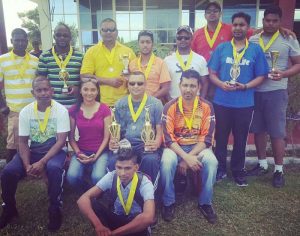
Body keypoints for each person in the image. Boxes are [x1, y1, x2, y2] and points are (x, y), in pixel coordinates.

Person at [0, 76, 70, 231]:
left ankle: (55, 209)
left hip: (54, 151)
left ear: (52, 91)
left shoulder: (61, 110)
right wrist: (27, 165)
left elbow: (60, 141)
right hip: (32, 151)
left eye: (46, 89)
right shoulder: (26, 112)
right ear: (33, 93)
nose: (43, 93)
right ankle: (9, 208)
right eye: (39, 90)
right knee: (8, 172)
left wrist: (42, 162)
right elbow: (23, 142)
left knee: (53, 168)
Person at [208, 12, 269, 186]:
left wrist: (246, 86)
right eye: (235, 25)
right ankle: (220, 169)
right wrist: (221, 84)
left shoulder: (255, 50)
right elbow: (212, 73)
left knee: (240, 138)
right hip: (222, 102)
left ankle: (237, 170)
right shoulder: (222, 48)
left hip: (244, 103)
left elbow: (262, 76)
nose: (237, 28)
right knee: (220, 138)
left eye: (241, 25)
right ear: (231, 27)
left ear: (248, 28)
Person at [247, 6, 300, 187]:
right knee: (258, 130)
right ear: (262, 21)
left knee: (277, 132)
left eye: (274, 21)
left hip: (276, 91)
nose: (270, 24)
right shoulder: (253, 39)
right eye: (267, 20)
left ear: (280, 21)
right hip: (255, 91)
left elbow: (298, 64)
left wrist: (284, 74)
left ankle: (279, 170)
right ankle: (262, 164)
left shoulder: (288, 38)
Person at [160, 69, 218, 224]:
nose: (188, 90)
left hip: (198, 147)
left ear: (199, 87)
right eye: (185, 85)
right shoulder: (170, 106)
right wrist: (185, 157)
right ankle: (168, 202)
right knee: (166, 163)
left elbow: (206, 139)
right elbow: (168, 139)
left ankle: (205, 202)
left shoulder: (207, 107)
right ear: (179, 86)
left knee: (212, 162)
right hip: (175, 147)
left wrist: (187, 159)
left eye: (192, 86)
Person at [77, 147, 155, 236]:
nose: (122, 173)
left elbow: (148, 217)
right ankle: (104, 232)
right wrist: (98, 226)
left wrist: (114, 233)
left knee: (143, 221)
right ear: (115, 166)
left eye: (127, 168)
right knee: (91, 202)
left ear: (136, 167)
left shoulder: (144, 182)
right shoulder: (112, 176)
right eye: (119, 167)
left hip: (135, 225)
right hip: (117, 218)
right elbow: (82, 200)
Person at [109, 71, 163, 189]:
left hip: (146, 144)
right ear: (127, 85)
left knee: (151, 160)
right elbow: (115, 130)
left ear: (145, 84)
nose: (136, 86)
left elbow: (159, 129)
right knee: (113, 160)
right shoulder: (119, 104)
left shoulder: (156, 104)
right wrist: (113, 142)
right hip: (125, 145)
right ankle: (119, 194)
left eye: (140, 83)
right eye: (132, 83)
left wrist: (156, 143)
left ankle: (150, 195)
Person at [66, 77, 111, 193]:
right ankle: (86, 191)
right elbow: (71, 137)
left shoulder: (105, 109)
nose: (89, 93)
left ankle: (96, 194)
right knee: (72, 177)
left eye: (93, 90)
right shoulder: (73, 110)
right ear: (80, 91)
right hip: (82, 150)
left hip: (101, 151)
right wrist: (79, 153)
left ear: (97, 92)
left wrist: (96, 156)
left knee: (97, 177)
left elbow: (107, 137)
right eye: (85, 89)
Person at [0, 28, 39, 162]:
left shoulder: (35, 60)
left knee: (33, 139)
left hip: (33, 109)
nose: (21, 43)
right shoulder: (2, 60)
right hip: (14, 110)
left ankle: (29, 167)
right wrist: (2, 106)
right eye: (17, 40)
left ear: (27, 42)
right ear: (12, 41)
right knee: (12, 142)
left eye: (23, 40)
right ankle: (9, 171)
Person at [80, 18, 136, 107]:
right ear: (100, 32)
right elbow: (84, 77)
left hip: (126, 103)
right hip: (100, 103)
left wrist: (129, 76)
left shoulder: (128, 51)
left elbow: (136, 75)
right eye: (105, 30)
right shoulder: (91, 52)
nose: (108, 32)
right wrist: (108, 81)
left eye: (112, 30)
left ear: (117, 32)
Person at [37, 23, 83, 107]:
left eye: (65, 35)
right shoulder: (44, 56)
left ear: (70, 38)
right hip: (54, 106)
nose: (62, 38)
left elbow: (84, 80)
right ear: (54, 37)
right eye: (58, 35)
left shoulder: (80, 56)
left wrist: (79, 89)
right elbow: (40, 81)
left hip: (75, 106)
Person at [164, 25, 209, 100]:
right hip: (174, 102)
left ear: (191, 39)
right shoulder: (167, 60)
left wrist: (201, 101)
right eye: (179, 38)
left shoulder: (200, 59)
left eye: (186, 38)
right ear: (176, 40)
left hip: (195, 103)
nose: (183, 40)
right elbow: (164, 84)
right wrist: (169, 102)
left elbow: (205, 83)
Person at [129, 30, 171, 101]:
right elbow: (129, 85)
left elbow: (166, 88)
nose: (145, 45)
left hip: (154, 103)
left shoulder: (160, 63)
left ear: (152, 44)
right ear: (138, 44)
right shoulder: (132, 64)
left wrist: (149, 100)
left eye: (148, 42)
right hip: (135, 103)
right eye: (142, 42)